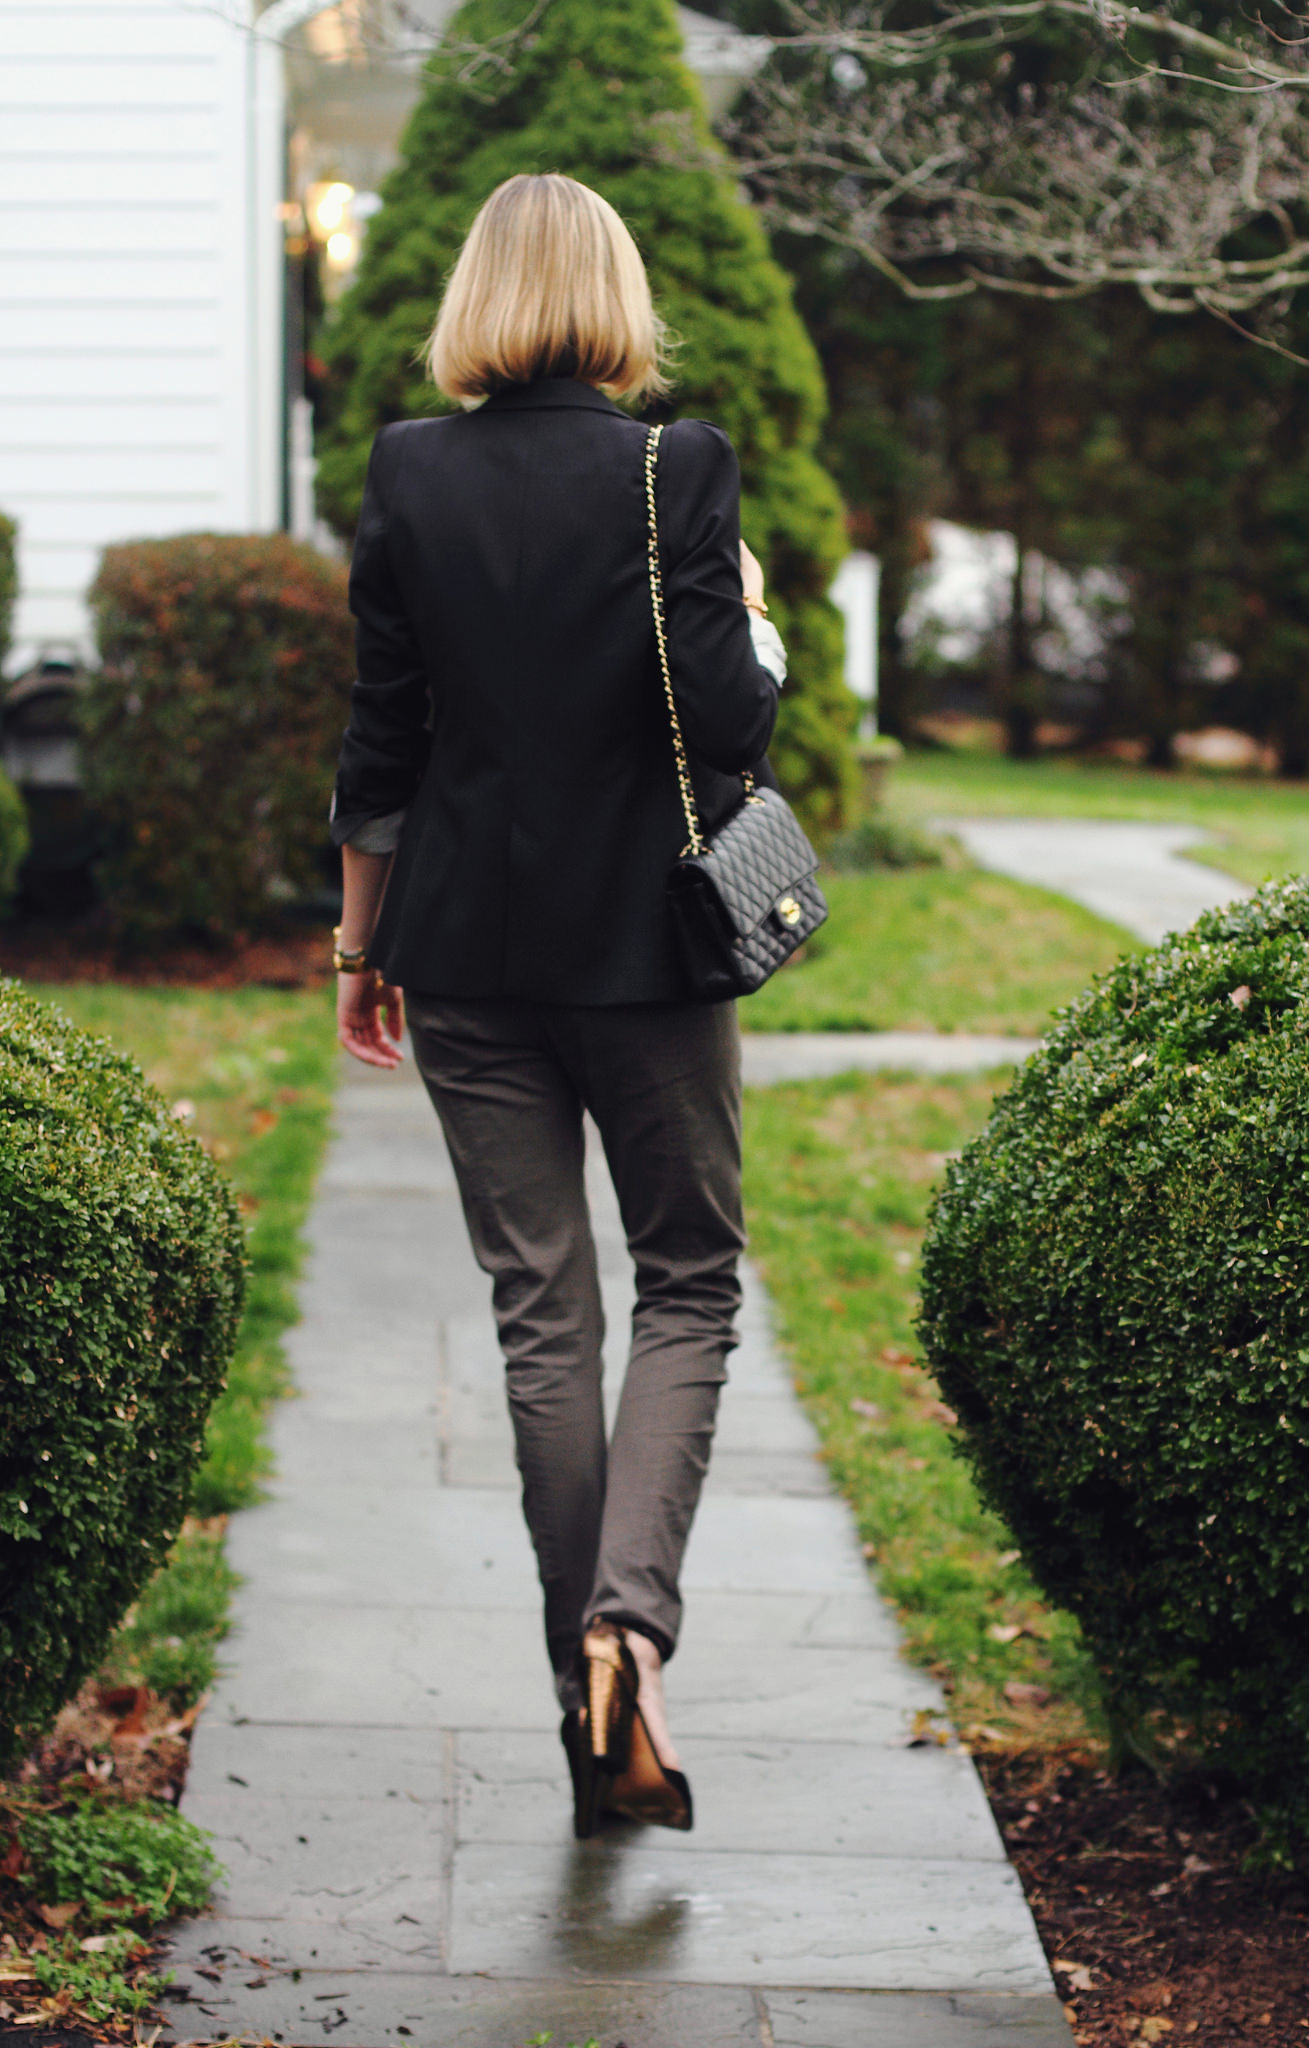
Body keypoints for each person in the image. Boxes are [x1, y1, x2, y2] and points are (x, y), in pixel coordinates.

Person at [327, 171, 787, 1837]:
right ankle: (628, 1627)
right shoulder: (679, 467)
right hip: (649, 952)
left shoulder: (406, 473)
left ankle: (584, 1716)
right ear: (614, 295)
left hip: (458, 948)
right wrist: (751, 616)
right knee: (687, 1281)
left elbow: (382, 742)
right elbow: (732, 730)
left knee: (543, 1317)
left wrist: (358, 948)